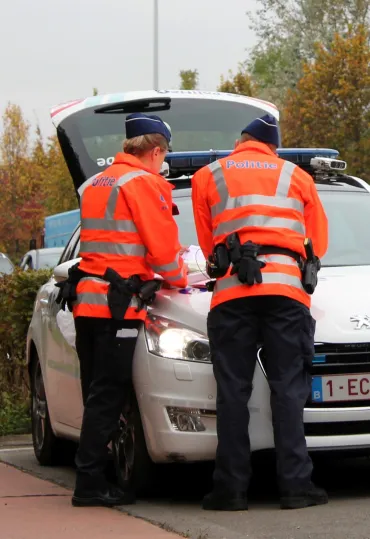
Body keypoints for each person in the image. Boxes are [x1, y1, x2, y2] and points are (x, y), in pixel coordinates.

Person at [191, 114, 328, 511]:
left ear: (241, 141)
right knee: (288, 387)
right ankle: (296, 487)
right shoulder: (295, 176)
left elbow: (207, 240)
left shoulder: (209, 175)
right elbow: (316, 239)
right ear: (273, 146)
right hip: (287, 292)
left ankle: (230, 490)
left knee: (233, 391)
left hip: (233, 290)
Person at [67, 112, 188, 507]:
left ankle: (93, 476)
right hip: (118, 307)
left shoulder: (96, 183)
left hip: (88, 302)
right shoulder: (144, 184)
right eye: (164, 155)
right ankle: (90, 484)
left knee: (95, 392)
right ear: (155, 151)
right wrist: (182, 279)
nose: (163, 162)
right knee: (110, 394)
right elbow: (163, 251)